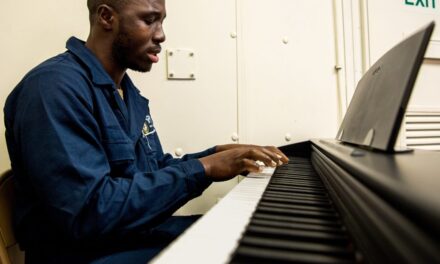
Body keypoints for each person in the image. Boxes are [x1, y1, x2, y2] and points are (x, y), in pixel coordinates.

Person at [3, 0, 289, 263]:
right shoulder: (53, 88)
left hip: (128, 238)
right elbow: (89, 213)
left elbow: (148, 170)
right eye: (149, 20)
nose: (161, 35)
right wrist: (204, 169)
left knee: (251, 231)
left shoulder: (127, 93)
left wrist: (214, 157)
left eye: (162, 21)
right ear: (106, 16)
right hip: (83, 255)